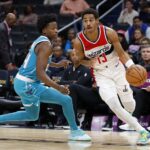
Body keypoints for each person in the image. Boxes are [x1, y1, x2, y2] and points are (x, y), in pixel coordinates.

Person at [0, 14, 91, 141]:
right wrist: (58, 87)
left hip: (22, 82)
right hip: (29, 84)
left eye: (56, 28)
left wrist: (57, 64)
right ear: (44, 30)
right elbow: (41, 74)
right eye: (52, 28)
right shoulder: (46, 45)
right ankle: (75, 131)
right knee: (66, 99)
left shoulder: (41, 41)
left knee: (32, 115)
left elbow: (40, 61)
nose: (56, 30)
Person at [73, 8, 150, 145]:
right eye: (85, 21)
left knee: (129, 103)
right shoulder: (79, 41)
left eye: (91, 20)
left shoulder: (109, 33)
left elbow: (121, 53)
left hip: (118, 70)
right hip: (101, 75)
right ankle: (143, 131)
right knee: (113, 104)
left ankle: (130, 120)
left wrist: (131, 66)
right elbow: (78, 60)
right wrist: (87, 62)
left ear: (97, 21)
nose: (88, 23)